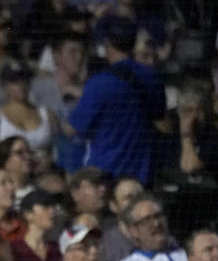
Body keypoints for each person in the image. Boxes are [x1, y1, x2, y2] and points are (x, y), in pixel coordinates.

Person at [67, 17, 166, 185]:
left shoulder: (99, 83)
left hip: (104, 175)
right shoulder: (152, 77)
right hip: (141, 175)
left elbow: (75, 128)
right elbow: (158, 115)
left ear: (108, 44)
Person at [0, 62, 58, 158]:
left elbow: (59, 149)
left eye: (24, 79)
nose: (21, 84)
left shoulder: (47, 115)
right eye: (14, 81)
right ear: (4, 86)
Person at [10, 190, 61, 261]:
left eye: (52, 207)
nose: (52, 211)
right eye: (45, 207)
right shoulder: (14, 249)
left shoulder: (56, 249)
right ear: (28, 214)